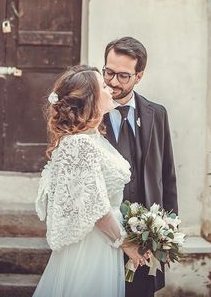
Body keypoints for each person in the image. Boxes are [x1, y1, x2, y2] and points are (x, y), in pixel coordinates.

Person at [33, 65, 148, 297]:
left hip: (105, 241)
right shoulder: (79, 144)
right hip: (92, 246)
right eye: (103, 86)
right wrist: (126, 243)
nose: (110, 88)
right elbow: (96, 208)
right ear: (91, 99)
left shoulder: (93, 138)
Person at [102, 37, 178, 297]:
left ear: (139, 76)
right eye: (109, 72)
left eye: (123, 76)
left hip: (147, 239)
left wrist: (168, 231)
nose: (113, 82)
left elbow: (167, 177)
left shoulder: (157, 114)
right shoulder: (89, 114)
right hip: (103, 237)